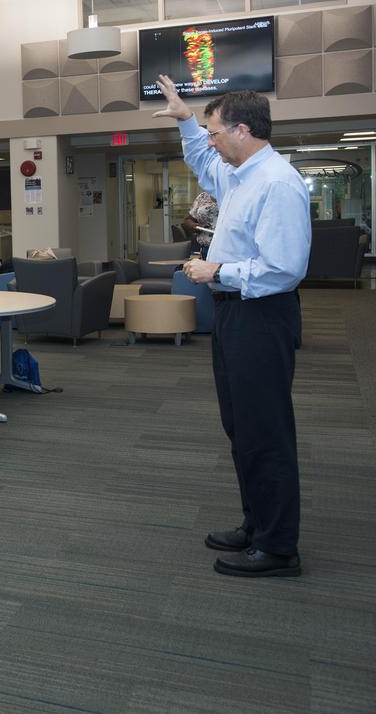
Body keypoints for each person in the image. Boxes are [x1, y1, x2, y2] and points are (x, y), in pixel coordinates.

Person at [154, 75, 310, 578]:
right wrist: (184, 119)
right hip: (234, 313)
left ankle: (279, 547)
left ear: (242, 130)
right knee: (240, 426)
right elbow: (200, 159)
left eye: (215, 131)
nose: (211, 139)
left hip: (261, 314)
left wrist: (216, 271)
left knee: (265, 429)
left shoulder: (277, 183)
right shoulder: (238, 173)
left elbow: (283, 267)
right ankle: (256, 523)